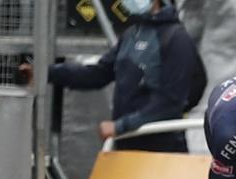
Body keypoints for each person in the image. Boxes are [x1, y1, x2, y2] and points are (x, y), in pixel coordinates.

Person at [20, 0, 200, 152]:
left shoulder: (177, 39)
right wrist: (45, 73)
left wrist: (121, 126)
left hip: (162, 153)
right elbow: (97, 74)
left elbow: (172, 103)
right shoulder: (132, 34)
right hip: (125, 148)